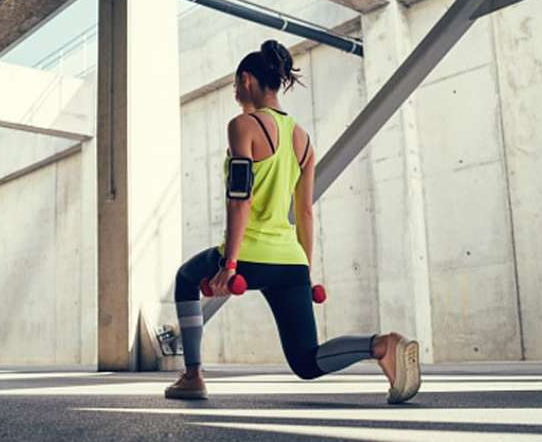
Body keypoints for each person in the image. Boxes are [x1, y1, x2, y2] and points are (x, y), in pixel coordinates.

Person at [165, 40, 421, 404]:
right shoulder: (303, 139)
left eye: (236, 85)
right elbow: (305, 212)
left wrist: (230, 263)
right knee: (306, 361)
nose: (235, 92)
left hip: (249, 254)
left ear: (247, 80)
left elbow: (240, 200)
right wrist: (305, 270)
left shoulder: (242, 126)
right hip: (290, 260)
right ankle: (382, 345)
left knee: (185, 278)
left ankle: (192, 375)